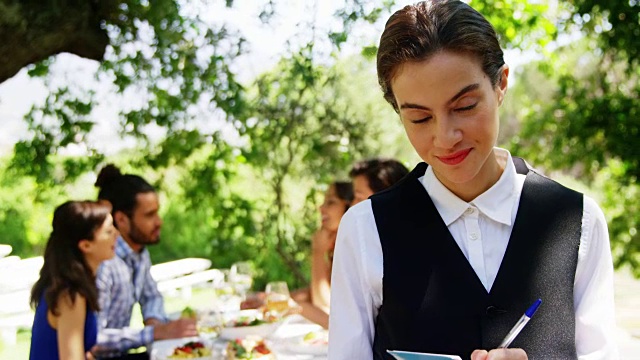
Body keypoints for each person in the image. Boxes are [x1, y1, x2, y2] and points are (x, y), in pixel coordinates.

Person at [328, 1, 618, 360]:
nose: (445, 137)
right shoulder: (364, 230)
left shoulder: (579, 221)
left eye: (464, 106)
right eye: (420, 118)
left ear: (501, 84)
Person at [92, 164, 197, 359]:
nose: (159, 222)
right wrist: (156, 332)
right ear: (122, 219)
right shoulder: (103, 263)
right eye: (149, 215)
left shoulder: (139, 252)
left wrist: (154, 321)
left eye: (157, 212)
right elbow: (93, 338)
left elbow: (151, 296)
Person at [30, 200, 118, 360]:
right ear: (86, 245)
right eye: (109, 231)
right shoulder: (71, 295)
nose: (117, 234)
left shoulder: (69, 286)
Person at [290, 181, 354, 328]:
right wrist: (276, 299)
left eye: (331, 202)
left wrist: (318, 253)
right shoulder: (336, 245)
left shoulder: (353, 248)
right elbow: (317, 291)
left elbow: (325, 305)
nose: (321, 208)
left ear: (349, 207)